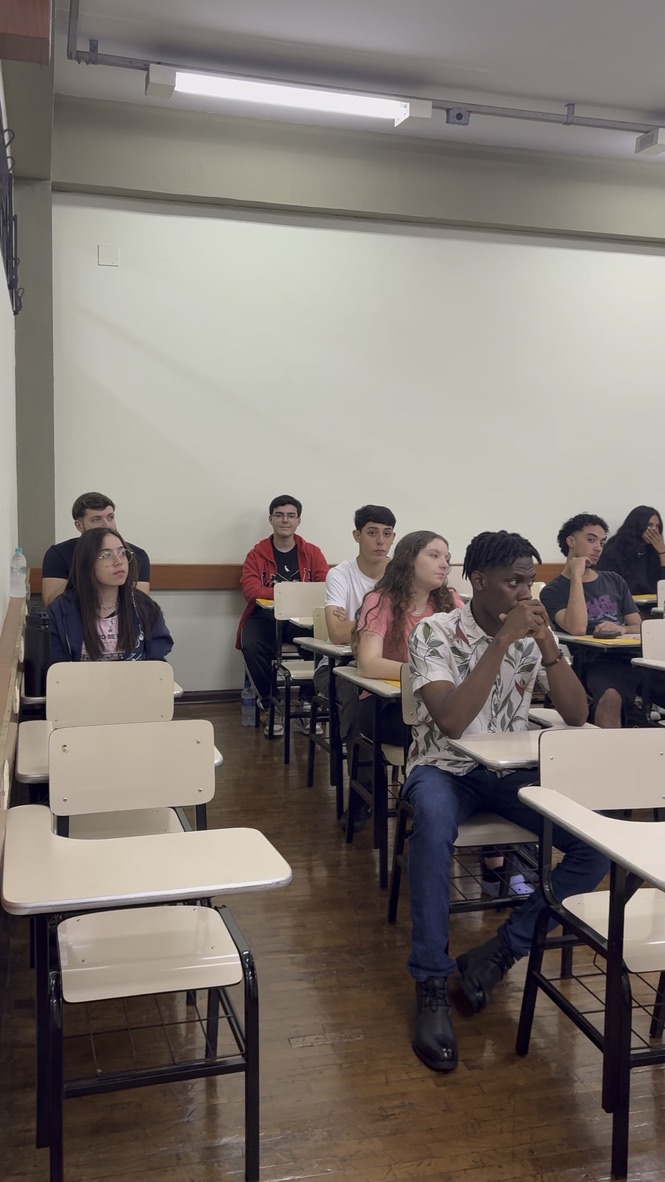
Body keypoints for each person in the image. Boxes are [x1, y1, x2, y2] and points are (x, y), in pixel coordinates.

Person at [403, 530, 608, 1074]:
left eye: (530, 582)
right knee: (431, 828)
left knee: (595, 844)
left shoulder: (531, 634)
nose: (525, 593)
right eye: (514, 581)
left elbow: (576, 715)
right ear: (478, 580)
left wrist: (547, 646)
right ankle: (430, 981)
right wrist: (501, 642)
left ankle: (501, 951)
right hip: (443, 768)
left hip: (510, 773)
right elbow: (451, 722)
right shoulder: (434, 632)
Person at [344, 531, 462, 829]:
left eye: (446, 558)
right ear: (409, 560)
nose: (444, 564)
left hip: (438, 704)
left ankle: (446, 805)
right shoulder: (381, 601)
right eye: (434, 556)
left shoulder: (450, 601)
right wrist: (426, 672)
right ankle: (414, 804)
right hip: (388, 704)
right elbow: (369, 663)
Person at [235, 495, 328, 735]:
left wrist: (284, 593)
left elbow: (322, 588)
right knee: (252, 646)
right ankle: (270, 706)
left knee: (322, 642)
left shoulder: (312, 553)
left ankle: (308, 702)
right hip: (265, 617)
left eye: (290, 515)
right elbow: (251, 591)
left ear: (298, 521)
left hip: (302, 617)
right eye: (279, 515)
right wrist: (290, 592)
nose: (285, 520)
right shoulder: (256, 554)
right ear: (271, 519)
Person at [540, 513, 641, 728]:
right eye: (591, 539)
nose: (598, 548)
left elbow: (639, 626)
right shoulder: (553, 591)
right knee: (610, 696)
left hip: (635, 657)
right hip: (597, 661)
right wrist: (576, 576)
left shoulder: (614, 580)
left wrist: (621, 629)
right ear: (571, 541)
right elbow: (577, 628)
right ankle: (607, 749)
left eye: (602, 542)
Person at [313, 504, 396, 745]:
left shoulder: (400, 575)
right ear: (357, 535)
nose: (380, 541)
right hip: (339, 664)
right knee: (357, 693)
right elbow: (338, 633)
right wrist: (385, 625)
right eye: (372, 532)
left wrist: (360, 623)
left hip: (387, 660)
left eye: (387, 534)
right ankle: (359, 764)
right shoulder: (341, 574)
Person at [48, 527, 172, 663]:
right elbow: (57, 667)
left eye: (122, 553)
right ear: (87, 563)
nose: (119, 561)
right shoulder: (59, 610)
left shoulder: (146, 608)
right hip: (77, 677)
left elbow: (156, 661)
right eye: (106, 555)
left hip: (134, 677)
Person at [42, 492, 150, 607]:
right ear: (79, 526)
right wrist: (82, 571)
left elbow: (140, 606)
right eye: (96, 520)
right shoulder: (59, 554)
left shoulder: (136, 555)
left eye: (110, 517)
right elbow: (51, 604)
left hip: (121, 615)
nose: (107, 525)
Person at [597, 505, 665, 598]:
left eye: (657, 526)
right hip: (625, 602)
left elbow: (662, 584)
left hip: (652, 603)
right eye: (649, 525)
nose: (655, 530)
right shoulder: (615, 549)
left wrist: (662, 552)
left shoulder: (653, 551)